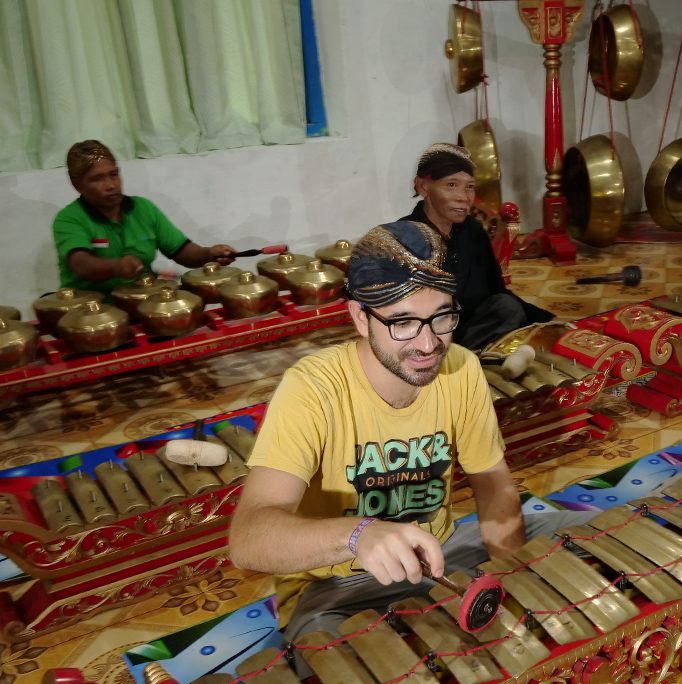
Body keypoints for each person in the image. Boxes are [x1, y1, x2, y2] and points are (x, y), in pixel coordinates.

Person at [228, 219, 595, 641]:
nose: (427, 345)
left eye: (442, 317)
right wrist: (358, 535)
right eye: (402, 322)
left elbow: (493, 486)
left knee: (599, 535)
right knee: (344, 680)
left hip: (444, 553)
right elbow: (249, 538)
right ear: (360, 318)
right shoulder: (312, 389)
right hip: (342, 585)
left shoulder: (460, 366)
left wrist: (513, 580)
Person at [401, 143, 552, 350]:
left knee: (508, 308)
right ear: (423, 186)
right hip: (424, 335)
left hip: (471, 331)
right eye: (451, 185)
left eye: (469, 186)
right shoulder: (401, 238)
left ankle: (462, 357)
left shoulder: (472, 230)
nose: (464, 197)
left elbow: (497, 292)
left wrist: (547, 320)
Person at [51, 140, 237, 297]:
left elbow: (181, 251)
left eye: (114, 175)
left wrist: (209, 254)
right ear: (77, 185)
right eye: (98, 179)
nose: (110, 185)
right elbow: (82, 264)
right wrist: (117, 266)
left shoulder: (143, 208)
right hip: (92, 314)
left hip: (141, 303)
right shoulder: (69, 219)